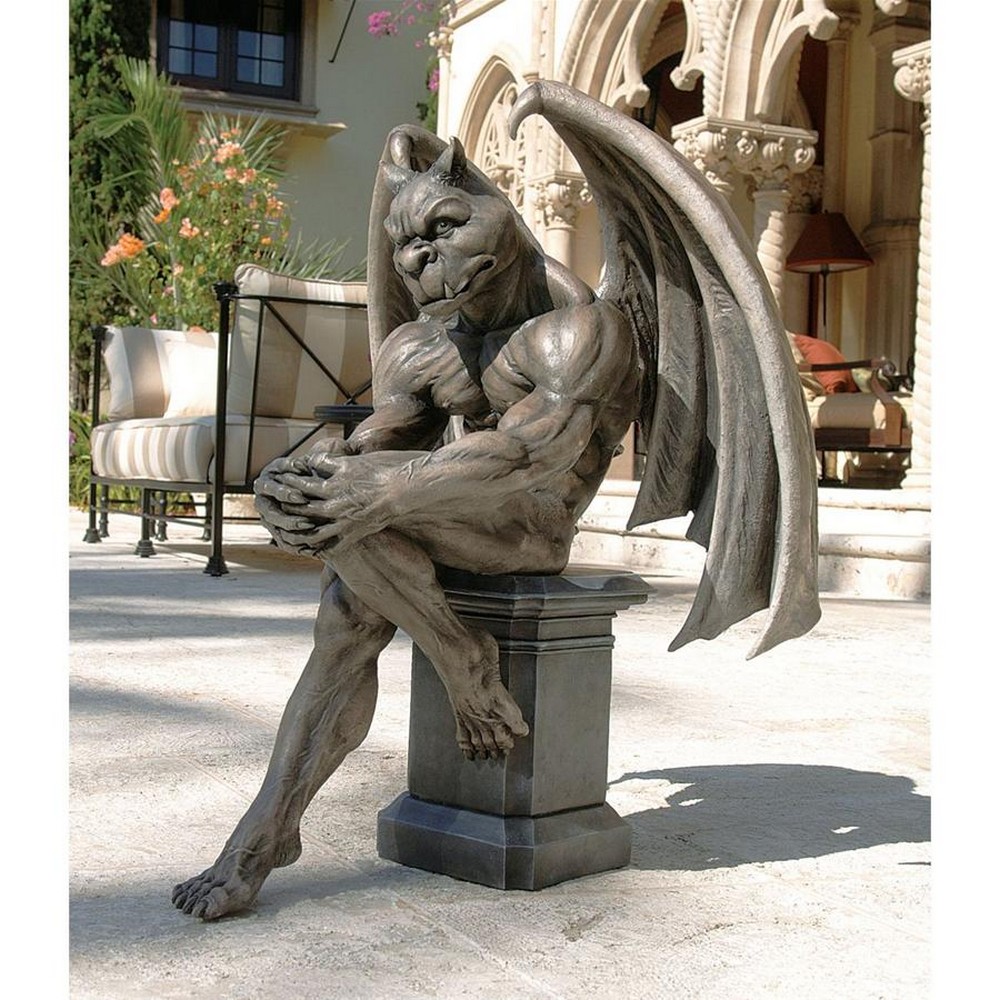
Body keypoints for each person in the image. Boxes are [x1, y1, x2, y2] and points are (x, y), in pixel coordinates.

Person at [171, 135, 641, 920]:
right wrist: (299, 479)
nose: (420, 257)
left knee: (354, 531)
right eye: (406, 243)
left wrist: (382, 491)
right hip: (444, 511)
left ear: (500, 213)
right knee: (342, 578)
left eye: (445, 228)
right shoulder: (421, 346)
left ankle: (274, 826)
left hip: (530, 527)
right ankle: (278, 821)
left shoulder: (578, 332)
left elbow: (528, 454)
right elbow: (374, 443)